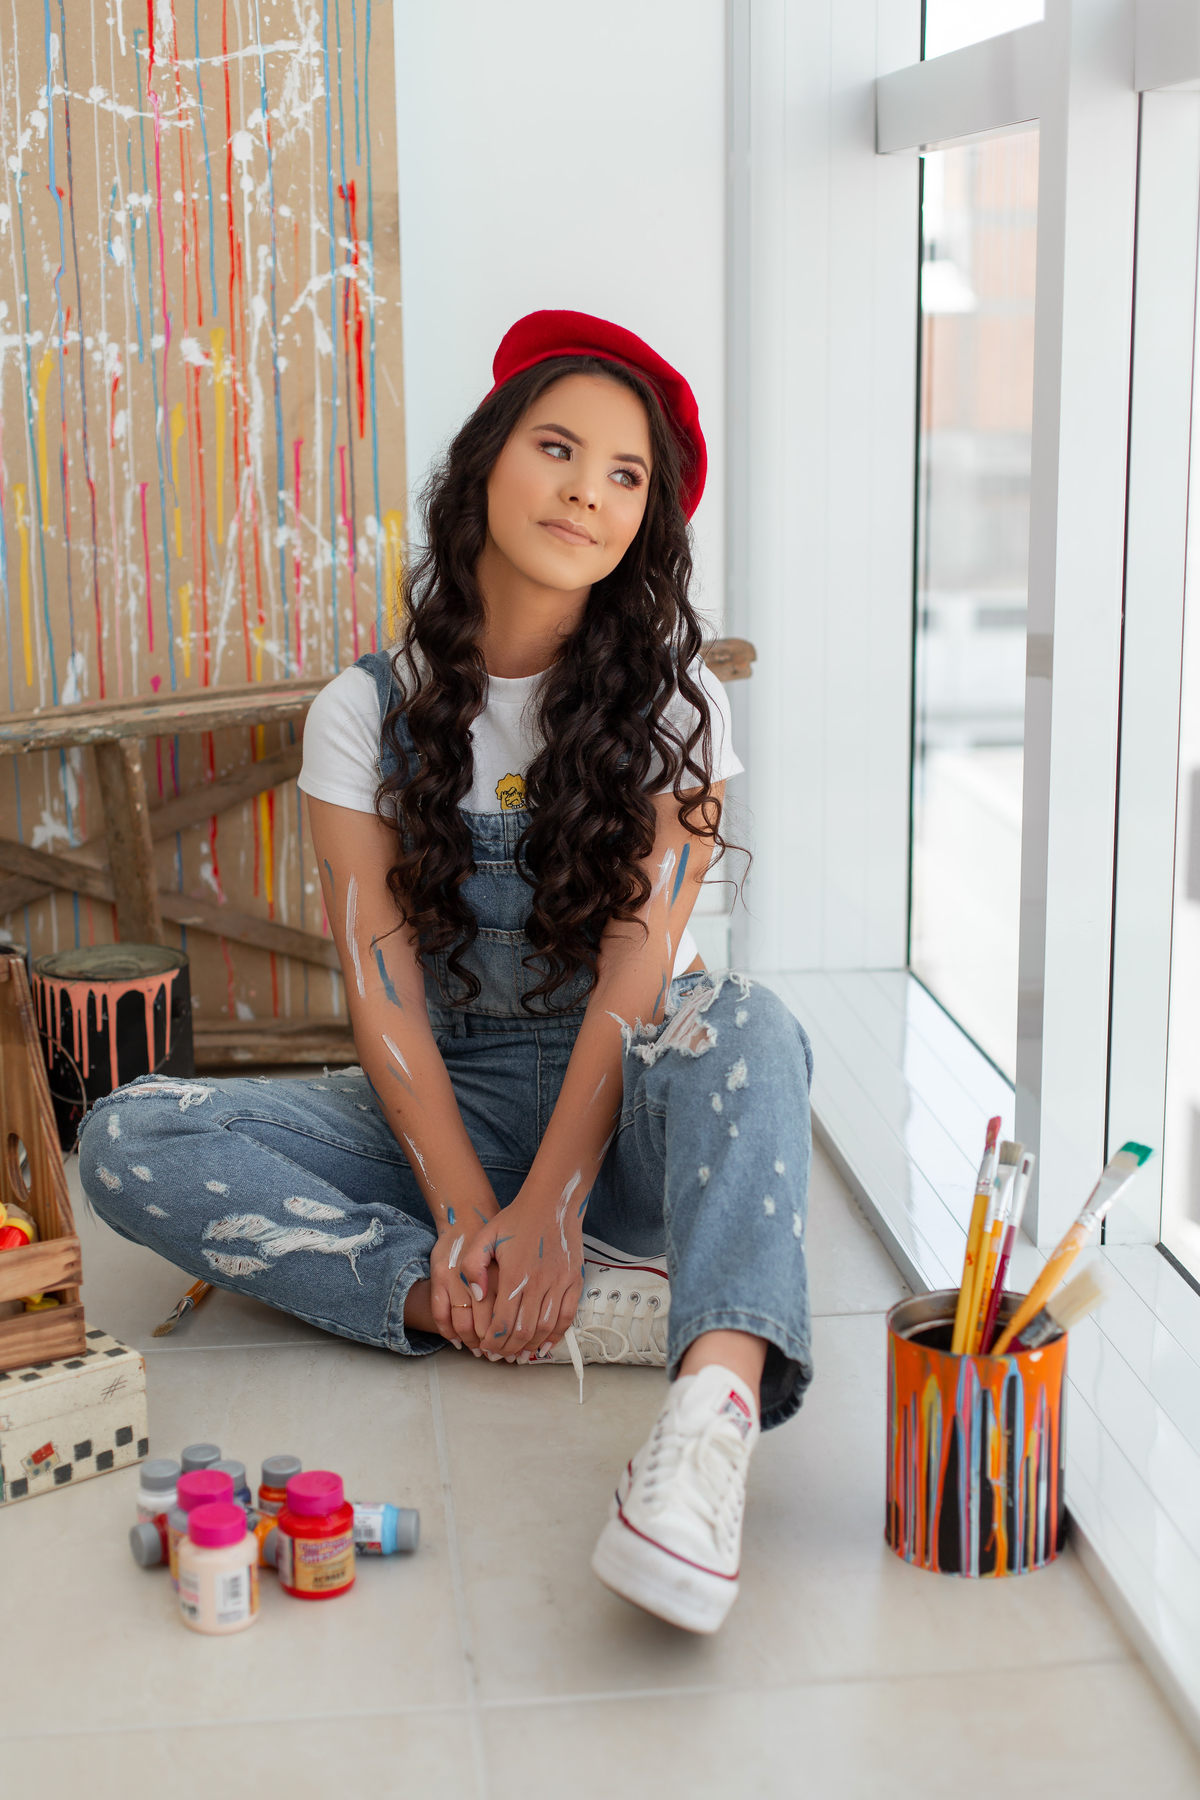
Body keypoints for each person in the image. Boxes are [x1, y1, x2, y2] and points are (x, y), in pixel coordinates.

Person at [78, 311, 814, 1634]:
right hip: (444, 1101)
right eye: (559, 447)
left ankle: (708, 1411)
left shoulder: (673, 695)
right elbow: (381, 985)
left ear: (645, 526)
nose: (589, 487)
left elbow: (641, 972)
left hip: (629, 1093)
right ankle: (476, 1297)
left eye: (626, 474)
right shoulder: (367, 708)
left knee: (754, 1027)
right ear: (485, 464)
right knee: (127, 1138)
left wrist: (561, 1194)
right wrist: (476, 1213)